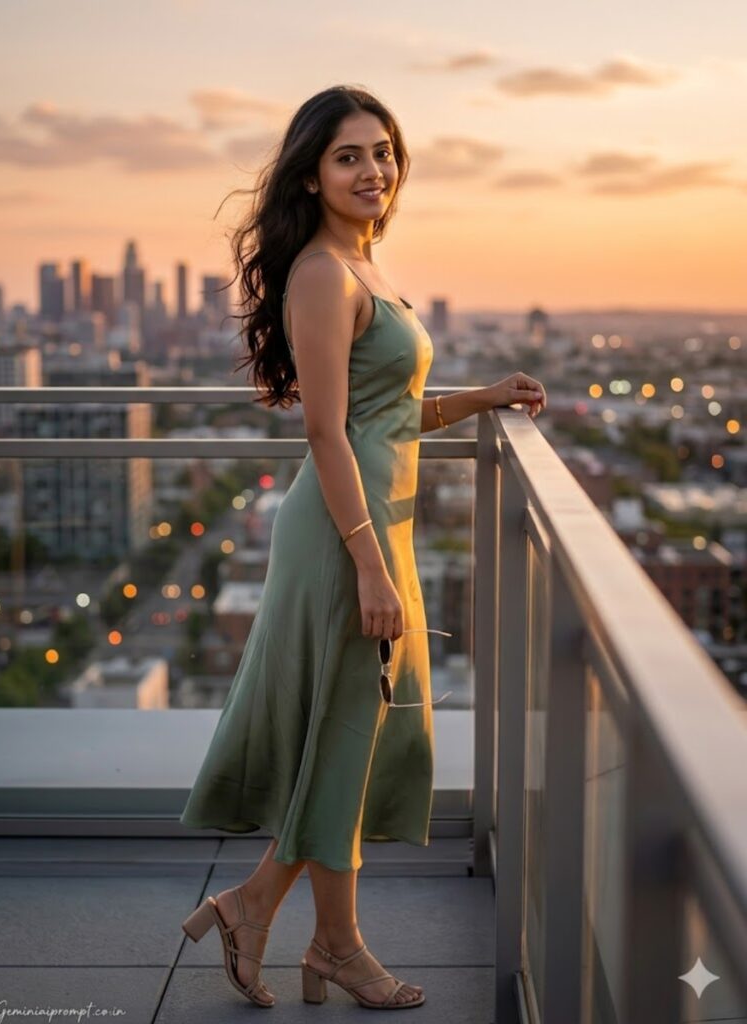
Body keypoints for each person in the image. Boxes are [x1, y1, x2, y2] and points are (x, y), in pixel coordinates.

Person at [179, 84, 547, 1010]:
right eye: (349, 155)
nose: (373, 169)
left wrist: (483, 397)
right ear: (313, 171)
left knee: (351, 740)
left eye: (382, 151)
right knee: (344, 736)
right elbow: (326, 433)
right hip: (345, 540)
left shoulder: (365, 266)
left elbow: (390, 415)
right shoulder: (320, 273)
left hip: (375, 530)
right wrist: (372, 566)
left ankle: (258, 909)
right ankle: (327, 943)